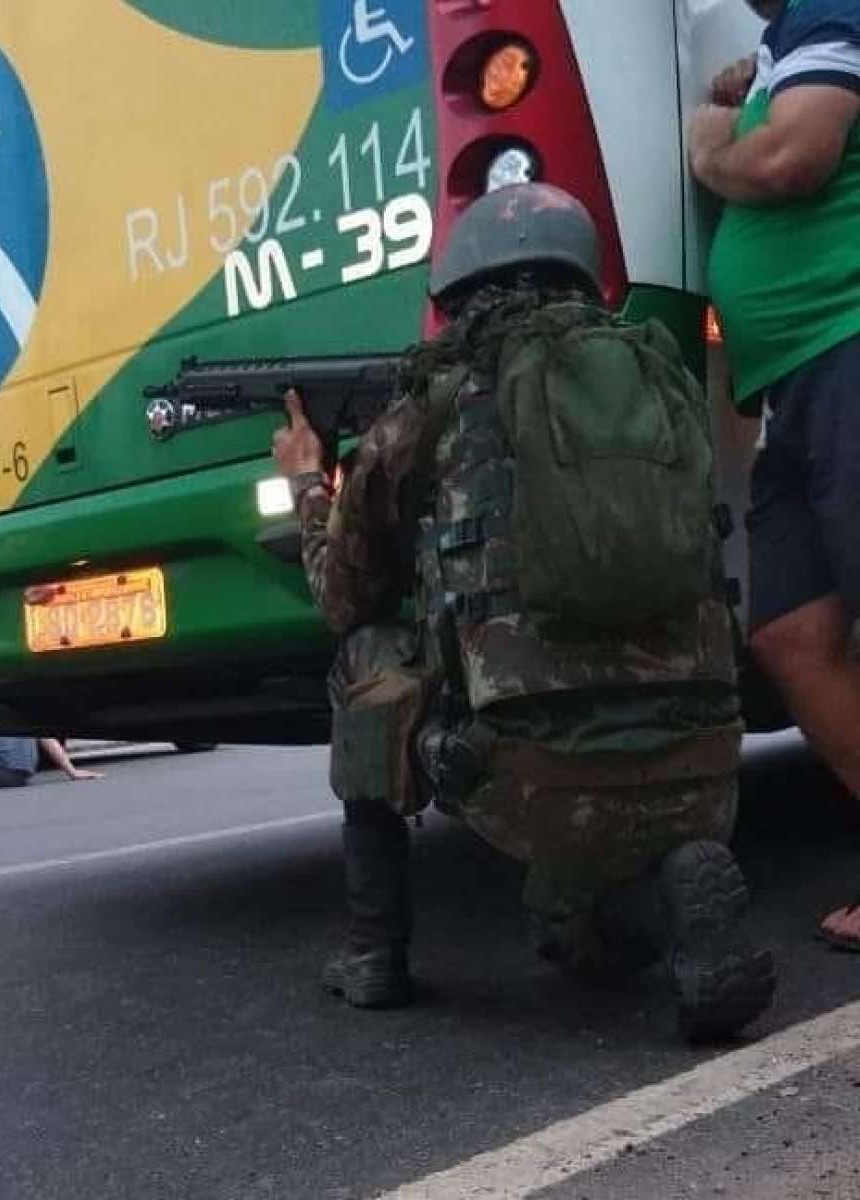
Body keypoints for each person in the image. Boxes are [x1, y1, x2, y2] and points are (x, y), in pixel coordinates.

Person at [273, 183, 775, 1042]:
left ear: (462, 290)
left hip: (524, 781)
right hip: (704, 770)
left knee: (363, 657)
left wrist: (306, 484)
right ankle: (671, 890)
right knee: (574, 931)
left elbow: (342, 597)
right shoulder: (661, 384)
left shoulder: (434, 404)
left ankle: (373, 953)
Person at [692, 0, 860, 946]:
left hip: (848, 344)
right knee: (790, 632)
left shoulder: (833, 8)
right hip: (796, 381)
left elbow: (792, 159)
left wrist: (709, 146)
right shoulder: (789, 44)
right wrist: (750, 86)